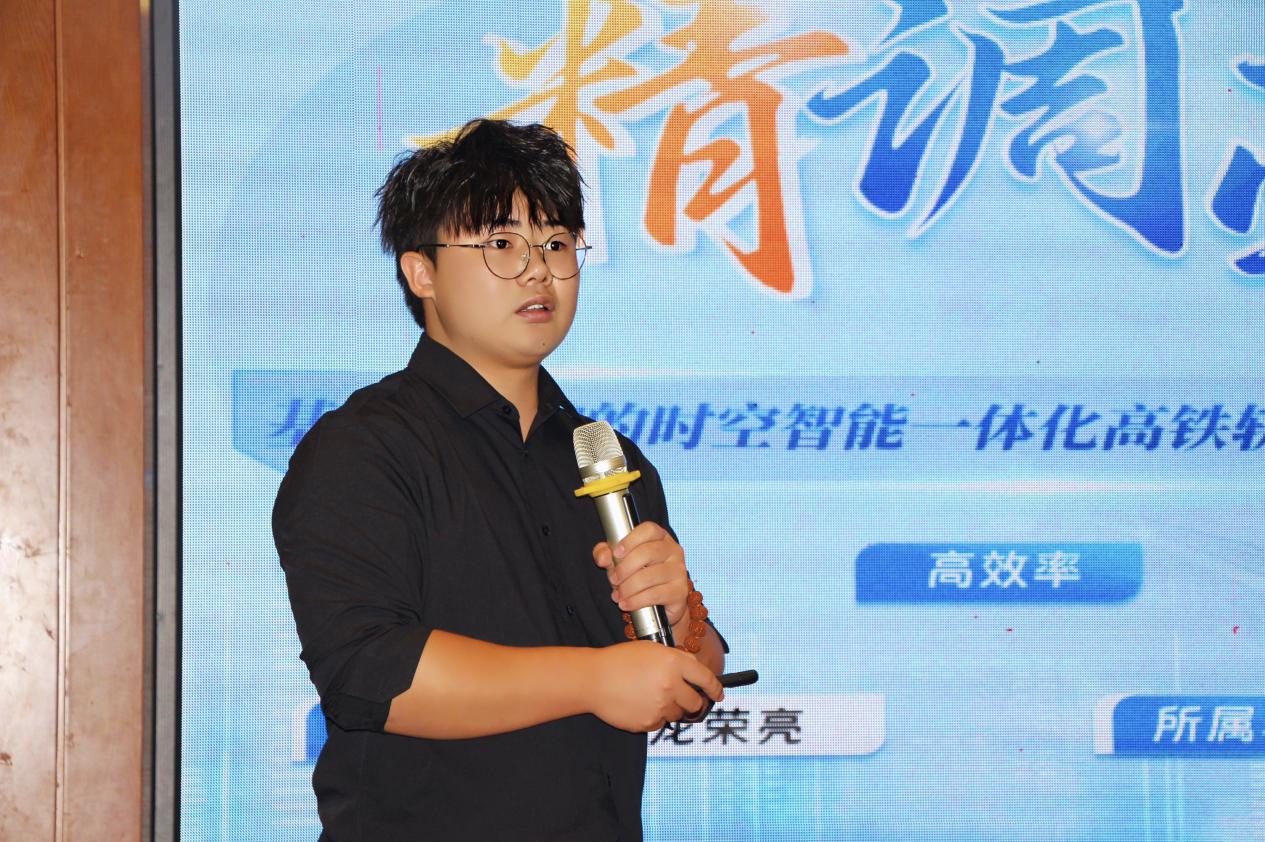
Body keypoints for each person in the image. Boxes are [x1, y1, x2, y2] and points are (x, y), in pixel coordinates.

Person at [273, 117, 726, 840]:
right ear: (420, 272)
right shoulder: (364, 447)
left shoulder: (608, 456)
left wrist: (682, 615)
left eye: (557, 244)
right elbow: (369, 671)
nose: (539, 270)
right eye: (502, 244)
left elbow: (691, 675)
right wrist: (593, 680)